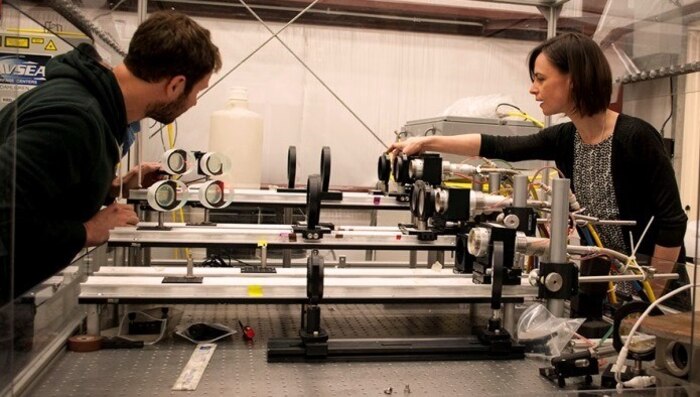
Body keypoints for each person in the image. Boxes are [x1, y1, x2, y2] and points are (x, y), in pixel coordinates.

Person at [390, 33, 687, 307]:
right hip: (606, 288)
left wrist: (651, 295)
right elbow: (500, 146)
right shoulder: (566, 137)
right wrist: (428, 141)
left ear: (574, 79)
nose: (533, 89)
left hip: (657, 297)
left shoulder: (636, 137)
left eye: (541, 79)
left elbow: (672, 222)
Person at [0, 11, 222, 306]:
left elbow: (44, 185)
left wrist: (115, 186)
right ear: (175, 85)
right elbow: (5, 208)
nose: (194, 103)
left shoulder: (97, 109)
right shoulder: (74, 118)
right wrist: (86, 232)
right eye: (198, 92)